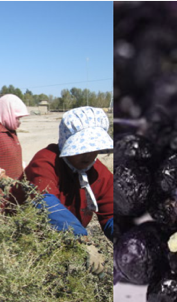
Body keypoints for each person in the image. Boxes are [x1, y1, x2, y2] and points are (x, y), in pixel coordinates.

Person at [12, 106, 114, 273]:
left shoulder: (98, 172)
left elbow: (111, 212)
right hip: (26, 236)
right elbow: (45, 201)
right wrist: (82, 240)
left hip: (63, 238)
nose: (88, 155)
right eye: (82, 148)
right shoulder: (46, 160)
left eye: (93, 148)